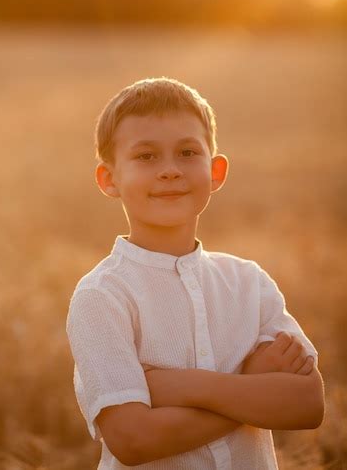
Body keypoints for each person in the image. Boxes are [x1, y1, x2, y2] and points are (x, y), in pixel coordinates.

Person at [66, 76, 325, 469]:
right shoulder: (102, 296)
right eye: (146, 156)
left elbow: (307, 404)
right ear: (109, 179)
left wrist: (179, 386)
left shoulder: (249, 283)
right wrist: (251, 392)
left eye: (187, 152)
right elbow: (133, 439)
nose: (170, 170)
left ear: (216, 170)